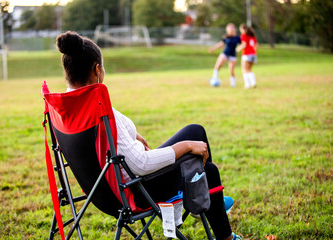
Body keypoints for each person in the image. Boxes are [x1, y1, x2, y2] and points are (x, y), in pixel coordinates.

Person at [56, 31, 241, 240]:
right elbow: (141, 164)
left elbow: (107, 137)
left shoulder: (67, 109)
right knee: (208, 169)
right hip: (135, 191)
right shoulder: (97, 109)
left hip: (101, 194)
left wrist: (132, 135)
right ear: (97, 70)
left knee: (196, 131)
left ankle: (207, 199)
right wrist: (186, 147)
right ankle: (220, 227)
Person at [208, 23, 241, 87]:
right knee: (218, 65)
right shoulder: (226, 37)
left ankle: (233, 84)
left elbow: (243, 44)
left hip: (233, 55)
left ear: (234, 30)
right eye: (229, 30)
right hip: (225, 53)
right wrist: (213, 48)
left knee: (231, 70)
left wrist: (239, 49)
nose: (231, 31)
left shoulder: (237, 38)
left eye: (232, 29)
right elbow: (220, 44)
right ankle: (214, 78)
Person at [236, 24, 258, 89]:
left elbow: (244, 45)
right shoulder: (253, 37)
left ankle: (247, 84)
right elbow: (256, 46)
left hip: (247, 54)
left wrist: (237, 49)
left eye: (241, 29)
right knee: (249, 70)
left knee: (244, 70)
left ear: (244, 29)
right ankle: (253, 83)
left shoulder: (244, 36)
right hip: (253, 54)